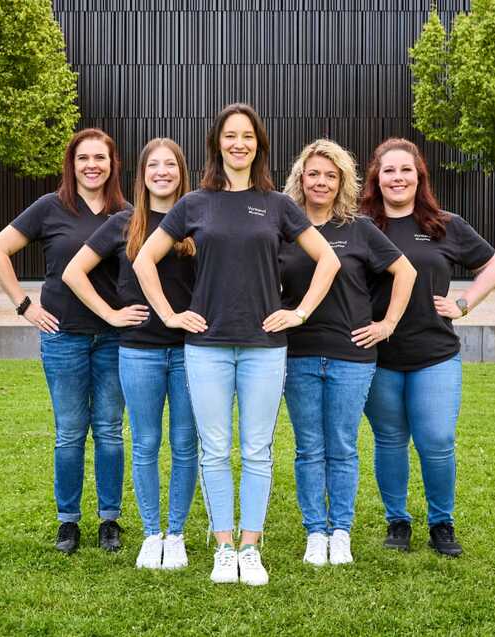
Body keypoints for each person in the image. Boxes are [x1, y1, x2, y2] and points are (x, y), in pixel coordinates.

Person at [133, 103, 340, 586]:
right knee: (214, 449)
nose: (239, 143)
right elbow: (145, 260)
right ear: (217, 144)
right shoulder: (195, 203)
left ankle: (251, 547)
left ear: (259, 145)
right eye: (230, 136)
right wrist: (169, 313)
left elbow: (327, 261)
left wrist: (300, 311)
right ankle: (223, 547)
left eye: (248, 136)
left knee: (257, 450)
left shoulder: (279, 206)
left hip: (265, 346)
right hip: (205, 345)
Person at [0, 128, 130, 555]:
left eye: (100, 158)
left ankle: (109, 520)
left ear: (112, 164)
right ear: (72, 163)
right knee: (69, 433)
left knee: (109, 431)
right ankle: (68, 522)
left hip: (113, 338)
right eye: (83, 158)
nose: (91, 165)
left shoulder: (125, 212)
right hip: (63, 336)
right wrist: (24, 304)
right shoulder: (51, 207)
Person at [360, 138, 495, 557]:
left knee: (437, 440)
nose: (397, 178)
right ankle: (398, 522)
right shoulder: (362, 225)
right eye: (389, 170)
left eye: (406, 170)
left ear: (419, 176)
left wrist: (463, 303)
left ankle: (442, 523)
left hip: (434, 355)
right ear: (377, 178)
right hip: (379, 357)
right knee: (389, 440)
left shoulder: (444, 224)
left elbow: (494, 266)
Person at [62, 138, 198, 570]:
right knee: (145, 443)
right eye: (153, 165)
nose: (162, 172)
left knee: (183, 443)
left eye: (170, 165)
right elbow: (73, 272)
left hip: (190, 351)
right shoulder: (125, 222)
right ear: (141, 175)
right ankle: (151, 533)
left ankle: (175, 534)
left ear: (181, 172)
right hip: (138, 350)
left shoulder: (197, 220)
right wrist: (111, 313)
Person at [279, 139, 416, 566]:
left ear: (343, 183)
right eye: (314, 173)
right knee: (307, 448)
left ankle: (340, 532)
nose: (321, 182)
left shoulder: (358, 229)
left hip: (351, 356)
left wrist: (387, 324)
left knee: (341, 446)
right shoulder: (284, 228)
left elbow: (405, 272)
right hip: (297, 354)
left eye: (331, 176)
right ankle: (314, 532)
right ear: (301, 178)